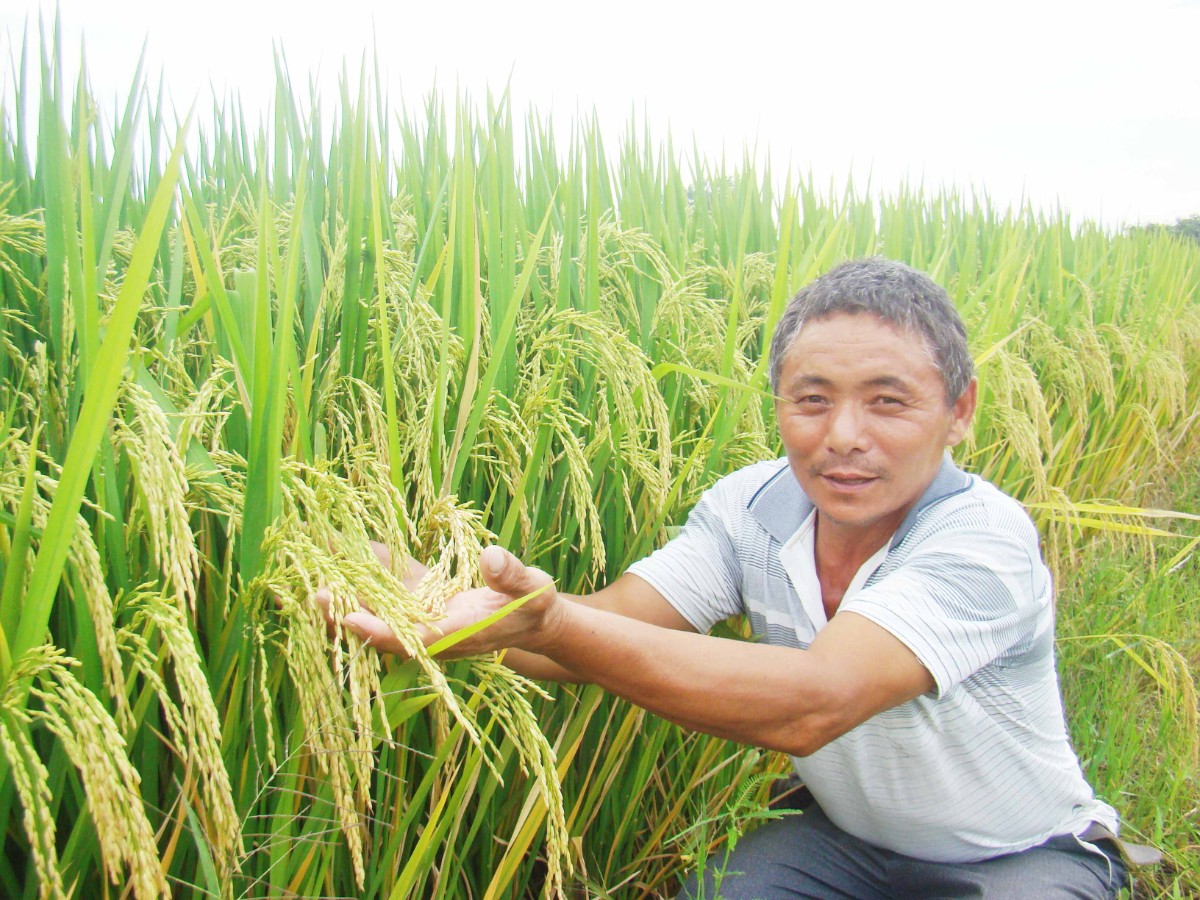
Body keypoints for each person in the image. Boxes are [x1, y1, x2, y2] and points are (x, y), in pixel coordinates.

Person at [322, 258, 1138, 898]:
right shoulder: (749, 508)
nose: (842, 436)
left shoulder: (982, 538)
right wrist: (441, 595)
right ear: (778, 402)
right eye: (811, 399)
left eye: (888, 402)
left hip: (1016, 856)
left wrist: (555, 623)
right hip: (843, 842)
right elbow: (606, 627)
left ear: (959, 410)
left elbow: (815, 702)